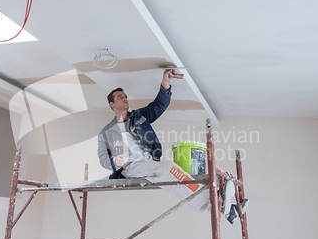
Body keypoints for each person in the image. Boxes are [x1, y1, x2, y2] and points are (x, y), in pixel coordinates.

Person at [97, 69, 247, 219]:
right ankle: (218, 204)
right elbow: (103, 158)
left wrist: (166, 83)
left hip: (147, 163)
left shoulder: (138, 116)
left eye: (125, 96)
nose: (125, 99)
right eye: (120, 97)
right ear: (112, 104)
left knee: (176, 179)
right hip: (131, 168)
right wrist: (115, 161)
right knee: (170, 168)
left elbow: (158, 106)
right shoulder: (106, 132)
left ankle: (223, 208)